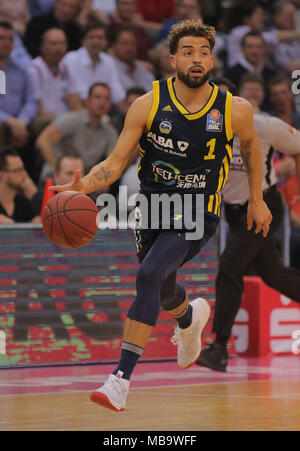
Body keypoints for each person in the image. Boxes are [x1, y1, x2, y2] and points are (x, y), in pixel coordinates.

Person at [49, 19, 272, 411]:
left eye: (204, 52)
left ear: (212, 59)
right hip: (152, 207)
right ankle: (189, 317)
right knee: (162, 287)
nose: (197, 59)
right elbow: (116, 163)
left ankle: (120, 378)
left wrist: (256, 197)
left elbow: (252, 148)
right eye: (188, 52)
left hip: (198, 208)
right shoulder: (147, 103)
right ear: (173, 59)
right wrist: (81, 188)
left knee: (148, 275)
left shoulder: (234, 109)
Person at [196, 77, 300, 373]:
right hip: (233, 211)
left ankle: (219, 349)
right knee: (274, 275)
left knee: (230, 265)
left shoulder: (263, 126)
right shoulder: (202, 131)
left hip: (263, 206)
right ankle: (218, 349)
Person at [37, 82, 118, 179]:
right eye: (97, 97)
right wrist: (58, 170)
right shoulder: (71, 120)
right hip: (60, 171)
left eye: (106, 99)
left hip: (85, 176)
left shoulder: (110, 131)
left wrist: (104, 178)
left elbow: (113, 162)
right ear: (88, 100)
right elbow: (43, 140)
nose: (102, 102)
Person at [28, 28, 82, 134]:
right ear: (43, 47)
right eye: (53, 44)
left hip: (64, 119)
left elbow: (75, 104)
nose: (58, 48)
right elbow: (38, 110)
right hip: (43, 120)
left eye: (62, 44)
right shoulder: (34, 69)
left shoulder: (66, 68)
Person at [63, 23, 126, 104]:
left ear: (106, 42)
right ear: (83, 41)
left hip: (102, 108)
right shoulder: (71, 59)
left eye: (100, 38)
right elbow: (75, 93)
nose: (96, 42)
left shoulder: (108, 61)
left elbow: (116, 90)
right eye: (91, 38)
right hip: (76, 108)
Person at [0, 21, 37, 149]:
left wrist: (21, 121)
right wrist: (9, 121)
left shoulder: (22, 69)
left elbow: (31, 101)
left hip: (19, 120)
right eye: (1, 38)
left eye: (10, 39)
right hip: (4, 121)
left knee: (42, 123)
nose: (6, 43)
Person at [0, 146, 40, 224]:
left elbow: (37, 220)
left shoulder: (21, 201)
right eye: (18, 170)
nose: (25, 175)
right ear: (2, 175)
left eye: (23, 169)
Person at [109, 27, 155, 93]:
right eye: (124, 44)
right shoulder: (108, 68)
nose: (129, 48)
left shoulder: (144, 71)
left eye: (133, 44)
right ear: (114, 46)